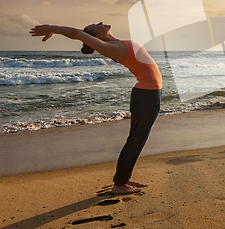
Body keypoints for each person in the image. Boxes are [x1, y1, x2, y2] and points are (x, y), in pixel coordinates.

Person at [30, 22, 162, 195]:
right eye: (95, 24)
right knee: (137, 139)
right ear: (97, 37)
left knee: (136, 139)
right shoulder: (107, 47)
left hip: (149, 93)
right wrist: (53, 29)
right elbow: (76, 32)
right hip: (147, 94)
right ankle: (119, 185)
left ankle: (123, 178)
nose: (100, 22)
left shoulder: (116, 43)